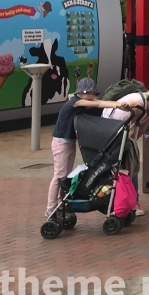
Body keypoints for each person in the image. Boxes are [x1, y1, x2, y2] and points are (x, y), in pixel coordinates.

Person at [102, 88, 149, 215]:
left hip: (121, 130)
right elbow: (130, 132)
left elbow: (140, 131)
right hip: (110, 129)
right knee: (129, 163)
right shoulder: (138, 107)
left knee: (132, 163)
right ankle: (129, 202)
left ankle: (132, 202)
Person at [46, 77, 102, 216]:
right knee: (59, 175)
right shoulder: (75, 103)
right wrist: (116, 105)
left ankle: (60, 202)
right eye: (92, 93)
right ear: (84, 92)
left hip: (69, 142)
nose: (93, 97)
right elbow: (99, 104)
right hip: (61, 143)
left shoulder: (80, 103)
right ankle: (50, 207)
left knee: (65, 175)